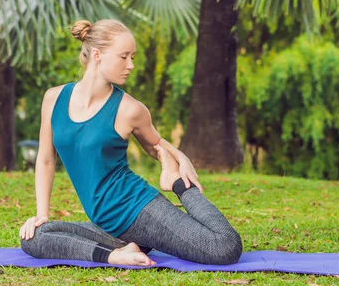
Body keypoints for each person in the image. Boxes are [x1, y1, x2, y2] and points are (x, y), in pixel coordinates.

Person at [19, 19, 243, 266]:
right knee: (35, 236)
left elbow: (156, 145)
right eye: (124, 57)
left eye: (132, 57)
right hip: (108, 227)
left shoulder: (130, 109)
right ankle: (116, 255)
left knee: (225, 247)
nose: (131, 65)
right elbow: (45, 159)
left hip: (138, 211)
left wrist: (180, 163)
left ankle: (179, 186)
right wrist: (42, 214)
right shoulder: (53, 98)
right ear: (97, 55)